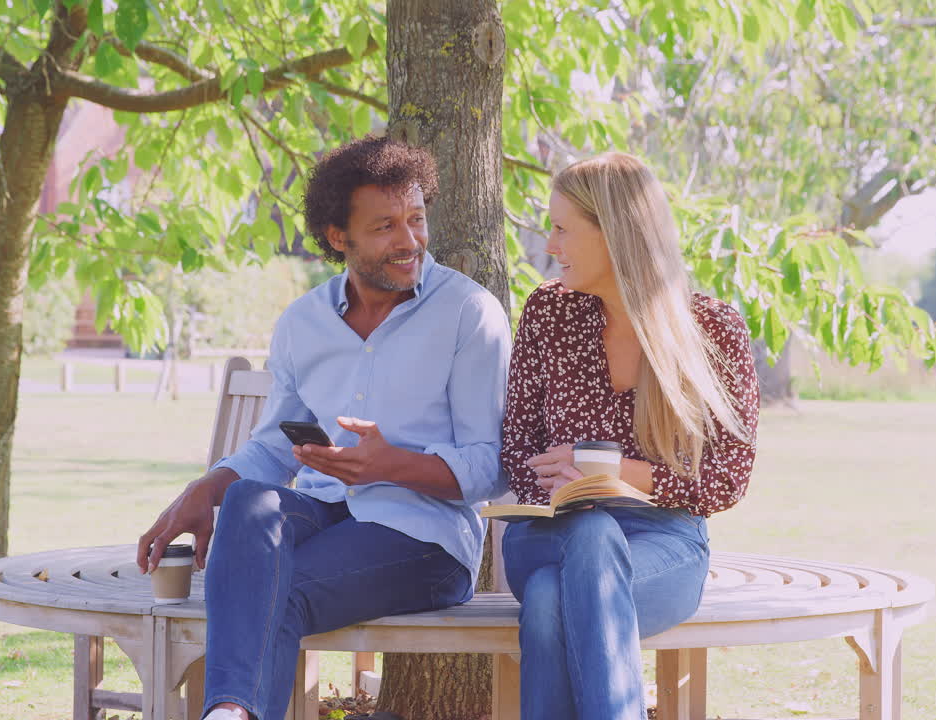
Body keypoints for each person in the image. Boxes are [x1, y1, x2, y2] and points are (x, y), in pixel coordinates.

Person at [136, 136, 511, 720]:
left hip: (424, 537)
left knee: (265, 594)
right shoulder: (303, 324)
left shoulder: (468, 314)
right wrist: (203, 491)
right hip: (319, 516)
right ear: (340, 238)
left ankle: (229, 712)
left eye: (416, 219)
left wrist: (390, 465)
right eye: (385, 225)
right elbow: (279, 443)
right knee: (248, 501)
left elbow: (489, 464)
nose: (409, 240)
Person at [499, 152, 760, 720]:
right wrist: (559, 481)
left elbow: (727, 479)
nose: (550, 245)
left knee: (548, 601)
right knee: (590, 532)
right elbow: (518, 447)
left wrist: (612, 472)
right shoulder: (548, 313)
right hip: (551, 530)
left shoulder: (713, 329)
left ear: (613, 234)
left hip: (664, 541)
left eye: (563, 229)